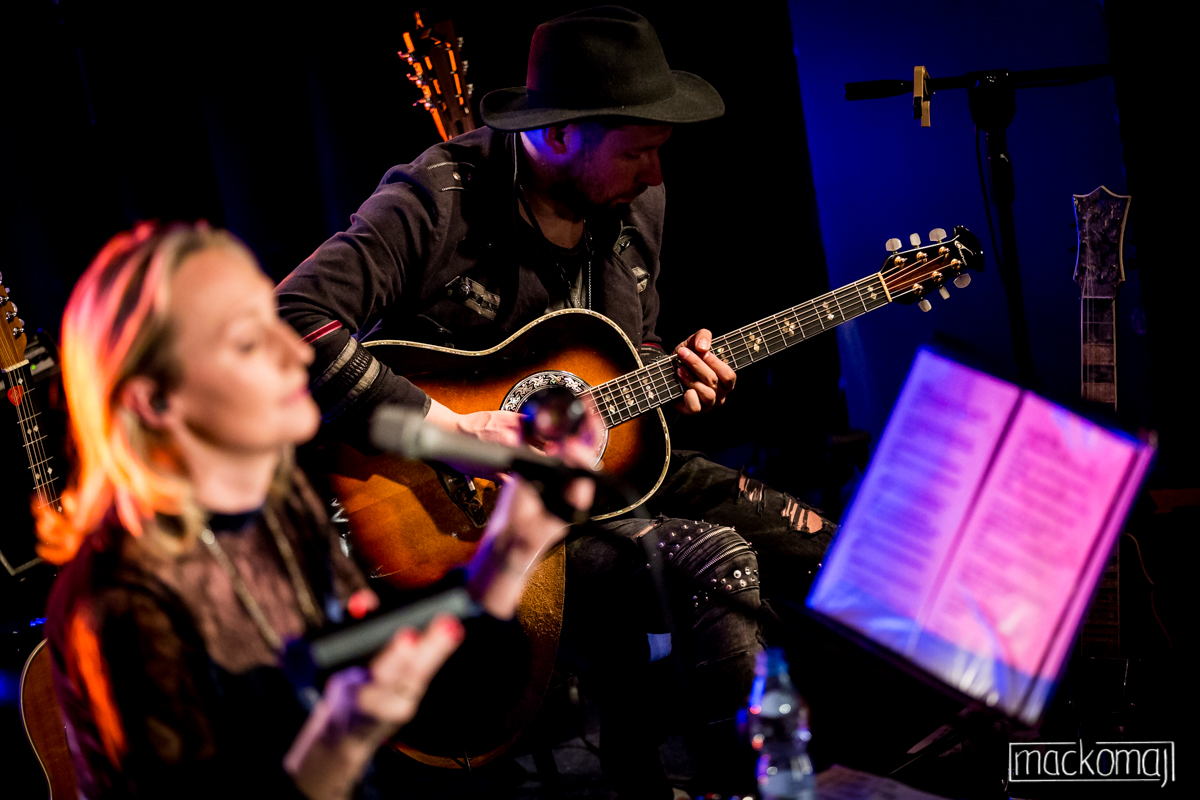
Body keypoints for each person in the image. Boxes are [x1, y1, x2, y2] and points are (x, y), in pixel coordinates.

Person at [276, 7, 834, 796]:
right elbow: (292, 319)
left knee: (829, 552)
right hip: (477, 519)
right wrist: (450, 428)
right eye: (637, 151)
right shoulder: (438, 198)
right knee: (716, 561)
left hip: (607, 471)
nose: (656, 174)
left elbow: (622, 352)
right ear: (563, 134)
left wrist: (674, 377)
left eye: (659, 151)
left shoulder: (636, 204)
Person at [38, 222, 592, 800]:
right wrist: (344, 739)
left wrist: (513, 549)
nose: (296, 350)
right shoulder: (118, 603)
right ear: (156, 401)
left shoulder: (278, 507)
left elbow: (456, 702)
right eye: (249, 342)